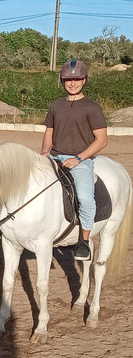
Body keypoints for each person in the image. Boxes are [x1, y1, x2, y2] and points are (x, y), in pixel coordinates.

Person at [40, 59, 107, 261]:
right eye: (69, 80)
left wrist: (78, 159)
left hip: (80, 160)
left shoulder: (92, 108)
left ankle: (84, 242)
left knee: (86, 199)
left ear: (84, 80)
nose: (73, 83)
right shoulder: (56, 105)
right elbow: (49, 131)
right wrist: (44, 152)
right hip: (54, 156)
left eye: (77, 79)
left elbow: (101, 140)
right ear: (63, 81)